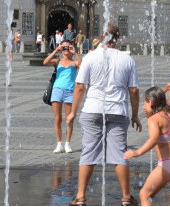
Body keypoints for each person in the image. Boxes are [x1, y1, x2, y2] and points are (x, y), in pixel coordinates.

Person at [67, 23, 141, 207]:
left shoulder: (90, 57)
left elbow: (80, 86)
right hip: (118, 111)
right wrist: (135, 115)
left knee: (89, 152)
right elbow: (133, 90)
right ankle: (126, 196)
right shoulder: (127, 59)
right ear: (118, 38)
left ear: (101, 37)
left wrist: (73, 112)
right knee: (119, 154)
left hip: (92, 108)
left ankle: (81, 196)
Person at [123, 87, 170, 206]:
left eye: (144, 103)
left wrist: (136, 153)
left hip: (168, 164)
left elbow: (154, 139)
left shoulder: (153, 119)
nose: (143, 107)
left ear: (150, 101)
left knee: (144, 195)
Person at [43, 40, 81, 153]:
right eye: (64, 48)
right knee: (57, 118)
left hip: (69, 91)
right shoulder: (58, 61)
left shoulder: (74, 63)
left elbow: (82, 65)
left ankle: (68, 143)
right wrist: (56, 50)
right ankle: (59, 144)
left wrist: (75, 53)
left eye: (67, 47)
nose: (65, 50)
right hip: (57, 90)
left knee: (69, 119)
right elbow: (45, 62)